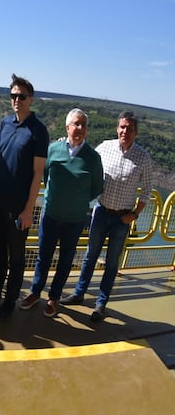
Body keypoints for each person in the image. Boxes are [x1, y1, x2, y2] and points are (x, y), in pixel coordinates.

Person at [61, 111, 153, 322]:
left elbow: (147, 191)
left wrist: (135, 214)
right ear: (117, 128)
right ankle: (78, 293)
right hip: (101, 212)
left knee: (111, 263)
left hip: (122, 219)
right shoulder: (105, 147)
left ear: (135, 132)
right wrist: (64, 145)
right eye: (122, 127)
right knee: (90, 256)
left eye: (129, 129)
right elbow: (86, 162)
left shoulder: (143, 158)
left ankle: (101, 303)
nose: (125, 131)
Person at [0, 75, 48, 319]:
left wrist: (28, 210)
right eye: (13, 96)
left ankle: (10, 298)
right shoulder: (5, 123)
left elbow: (38, 174)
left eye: (22, 96)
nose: (17, 100)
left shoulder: (38, 131)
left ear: (31, 99)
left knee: (16, 254)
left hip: (18, 205)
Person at [18, 109, 104, 317]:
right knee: (43, 257)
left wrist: (78, 201)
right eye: (76, 124)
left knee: (65, 260)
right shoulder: (53, 149)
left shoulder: (93, 158)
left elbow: (97, 187)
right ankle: (35, 292)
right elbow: (46, 175)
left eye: (83, 125)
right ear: (67, 128)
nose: (80, 128)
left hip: (75, 220)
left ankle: (54, 298)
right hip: (51, 215)